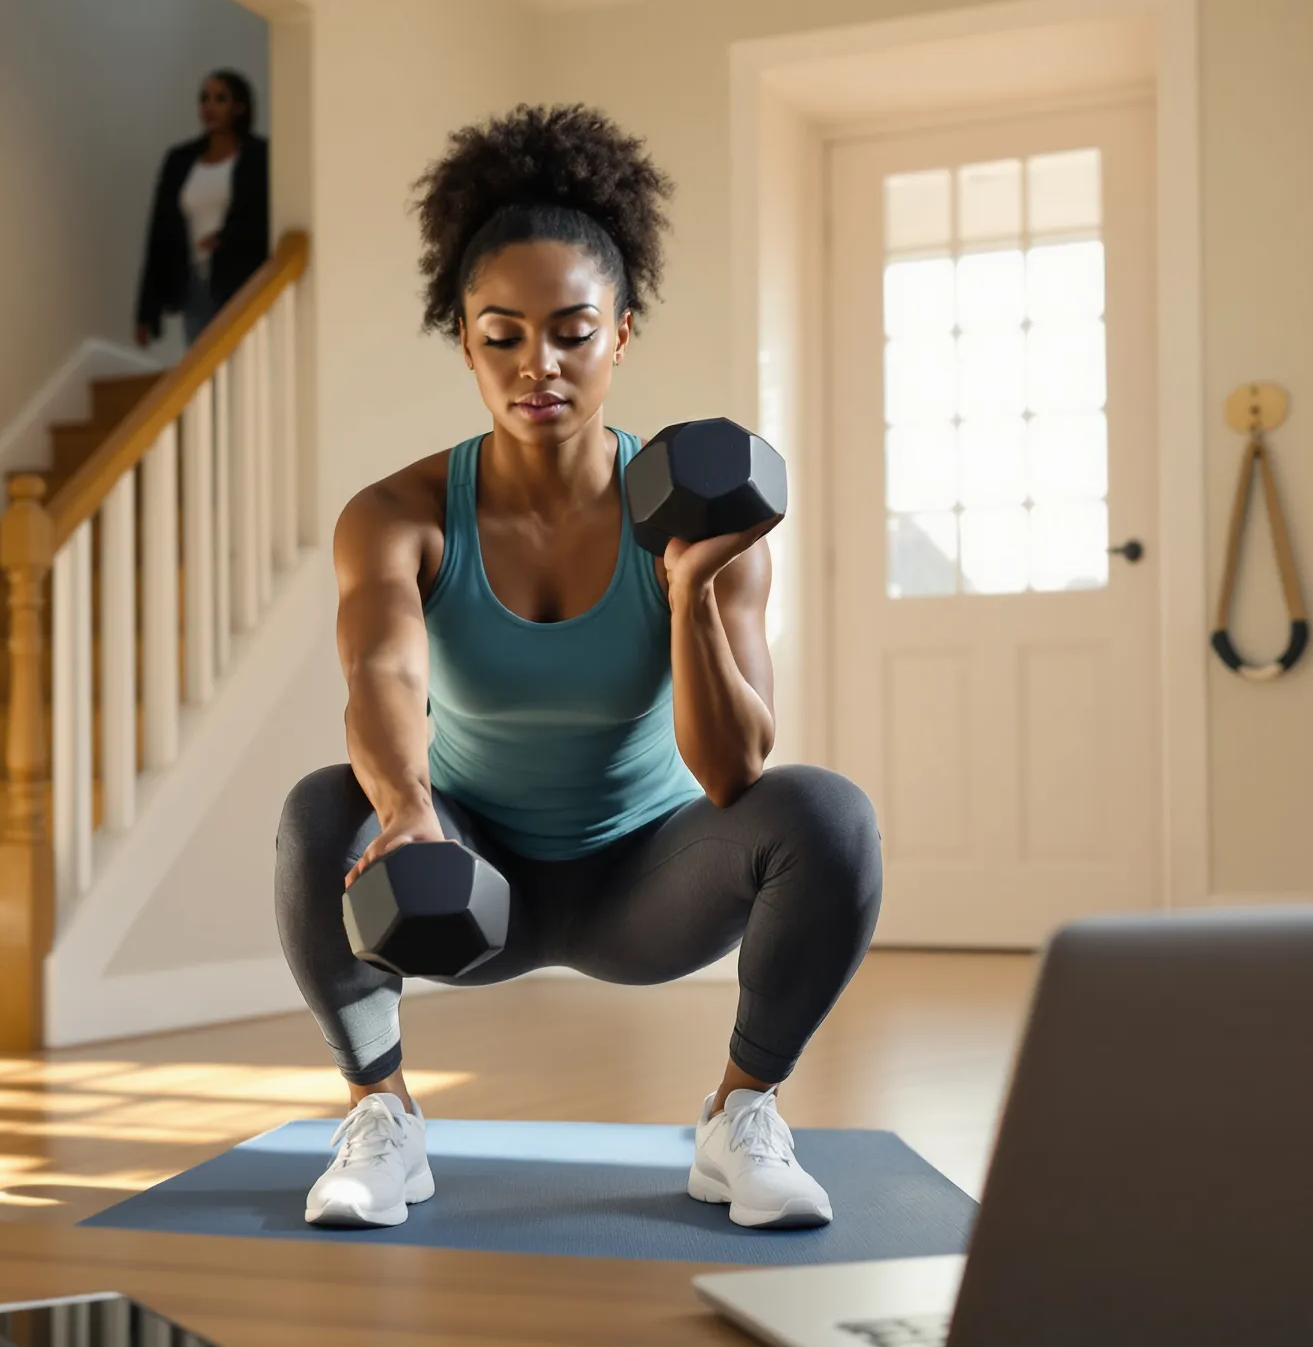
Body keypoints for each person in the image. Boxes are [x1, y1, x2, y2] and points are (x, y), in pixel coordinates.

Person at [275, 105, 884, 1233]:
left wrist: (689, 592)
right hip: (466, 881)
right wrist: (409, 812)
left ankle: (738, 1117)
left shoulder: (693, 515)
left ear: (622, 335)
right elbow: (380, 677)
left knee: (828, 815)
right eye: (501, 334)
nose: (535, 364)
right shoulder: (399, 515)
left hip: (646, 885)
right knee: (323, 810)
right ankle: (381, 1116)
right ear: (463, 339)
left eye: (571, 330)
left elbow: (734, 768)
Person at [135, 69, 269, 353]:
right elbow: (159, 231)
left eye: (220, 98)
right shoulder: (180, 160)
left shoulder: (259, 156)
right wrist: (147, 309)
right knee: (200, 361)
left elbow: (265, 214)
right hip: (193, 279)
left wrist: (227, 237)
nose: (209, 106)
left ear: (239, 106)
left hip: (240, 277)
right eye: (204, 98)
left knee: (239, 357)